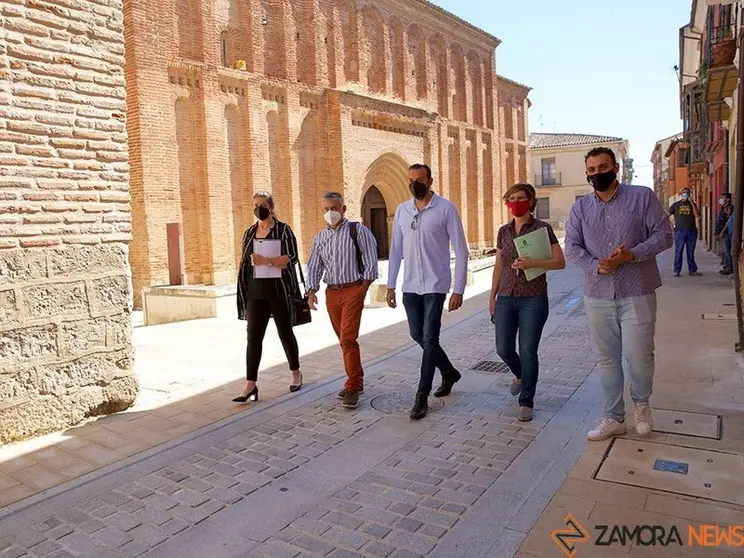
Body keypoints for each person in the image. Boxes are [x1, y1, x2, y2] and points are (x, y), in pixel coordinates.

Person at [565, 147, 673, 441]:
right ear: (587, 174)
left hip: (637, 289)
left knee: (639, 355)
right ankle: (614, 417)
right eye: (592, 170)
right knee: (607, 359)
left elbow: (664, 235)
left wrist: (631, 255)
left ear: (616, 168)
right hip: (597, 294)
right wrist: (595, 266)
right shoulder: (580, 208)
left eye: (603, 167)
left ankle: (641, 406)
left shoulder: (642, 197)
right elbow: (572, 247)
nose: (598, 174)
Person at [386, 163, 469, 420]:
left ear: (430, 180)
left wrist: (458, 289)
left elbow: (462, 250)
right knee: (417, 334)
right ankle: (449, 372)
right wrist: (390, 284)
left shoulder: (445, 209)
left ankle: (421, 396)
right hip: (410, 285)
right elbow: (396, 251)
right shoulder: (402, 210)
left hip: (436, 284)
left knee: (430, 338)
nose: (414, 184)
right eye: (410, 180)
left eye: (419, 179)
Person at [490, 183, 565, 422]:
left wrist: (534, 263)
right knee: (503, 348)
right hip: (506, 297)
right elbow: (499, 264)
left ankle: (527, 401)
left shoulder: (543, 229)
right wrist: (492, 297)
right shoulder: (504, 231)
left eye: (521, 198)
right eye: (511, 198)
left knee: (528, 350)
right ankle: (521, 376)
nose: (516, 202)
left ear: (531, 201)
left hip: (533, 297)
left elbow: (559, 262)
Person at [306, 192, 379, 409]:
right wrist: (311, 291)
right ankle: (357, 377)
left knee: (348, 338)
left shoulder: (358, 231)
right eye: (326, 209)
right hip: (332, 293)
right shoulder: (320, 238)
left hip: (352, 289)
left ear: (344, 209)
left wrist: (362, 289)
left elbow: (370, 260)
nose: (331, 213)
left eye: (335, 208)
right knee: (344, 339)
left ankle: (353, 386)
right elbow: (314, 265)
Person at [234, 191, 302, 403]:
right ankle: (250, 384)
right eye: (255, 205)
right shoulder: (250, 232)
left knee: (284, 331)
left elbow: (292, 258)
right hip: (255, 290)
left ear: (271, 207)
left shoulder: (283, 230)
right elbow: (245, 261)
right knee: (253, 336)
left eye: (262, 205)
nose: (258, 209)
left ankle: (296, 372)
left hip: (278, 288)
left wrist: (267, 260)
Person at [669, 187, 702, 277]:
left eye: (687, 192)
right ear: (680, 194)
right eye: (684, 192)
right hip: (679, 231)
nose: (685, 194)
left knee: (690, 251)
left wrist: (692, 202)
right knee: (678, 251)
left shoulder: (692, 204)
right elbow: (667, 215)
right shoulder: (675, 205)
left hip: (691, 230)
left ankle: (692, 270)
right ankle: (676, 270)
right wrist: (672, 226)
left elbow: (697, 215)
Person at [715, 193, 733, 275]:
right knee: (725, 250)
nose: (721, 199)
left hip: (727, 232)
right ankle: (727, 266)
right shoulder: (723, 208)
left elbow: (728, 222)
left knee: (727, 250)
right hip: (723, 231)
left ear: (728, 199)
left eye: (723, 197)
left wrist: (722, 232)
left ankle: (729, 267)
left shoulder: (729, 208)